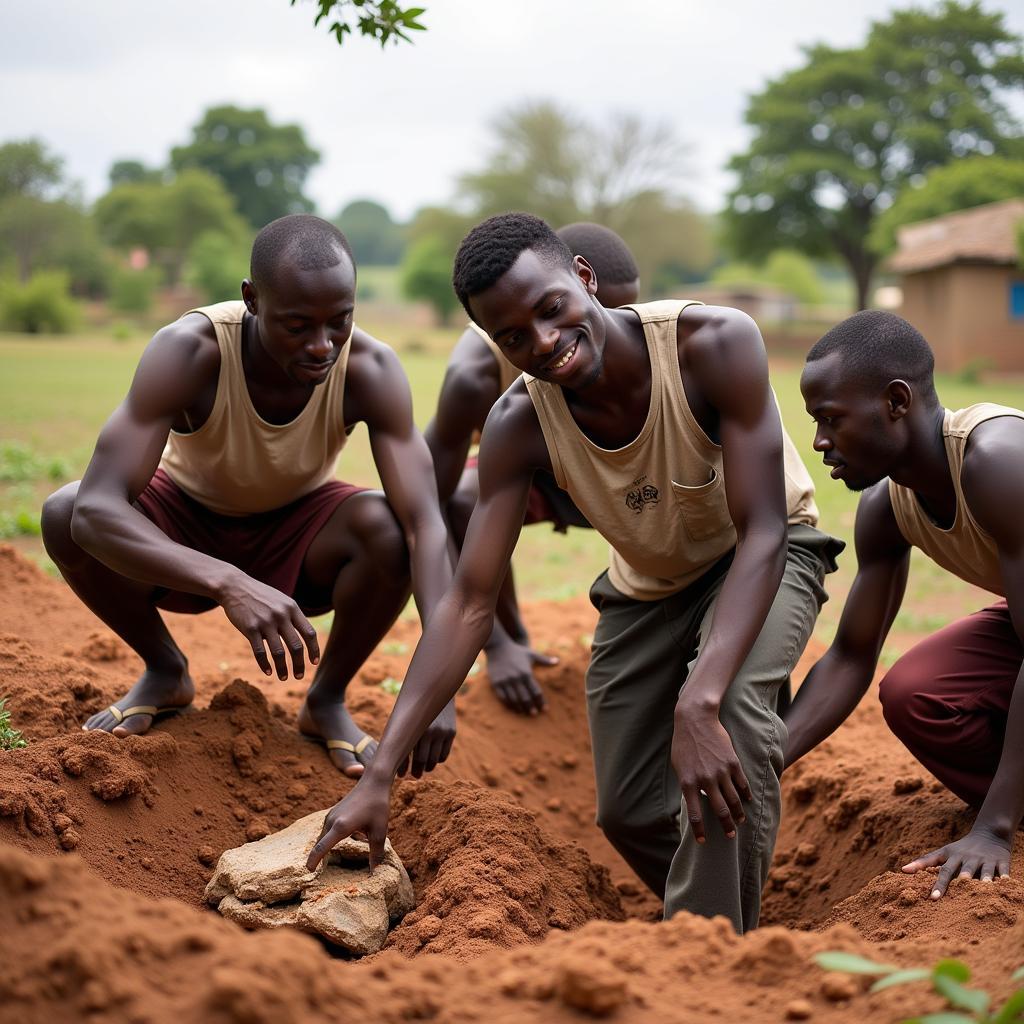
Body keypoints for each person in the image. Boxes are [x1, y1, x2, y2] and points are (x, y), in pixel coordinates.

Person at [307, 212, 842, 933]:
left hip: (765, 555)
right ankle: (725, 912)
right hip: (650, 582)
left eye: (552, 309)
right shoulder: (518, 422)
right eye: (515, 337)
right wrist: (380, 773)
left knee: (733, 717)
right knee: (625, 807)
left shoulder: (712, 345)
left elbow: (766, 531)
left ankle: (706, 957)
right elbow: (469, 600)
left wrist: (698, 697)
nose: (545, 343)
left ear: (585, 280)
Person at [41, 214, 455, 779]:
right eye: (297, 325)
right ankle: (165, 670)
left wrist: (443, 676)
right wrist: (228, 581)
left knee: (387, 527)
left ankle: (326, 700)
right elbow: (94, 510)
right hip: (182, 519)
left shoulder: (369, 367)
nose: (321, 345)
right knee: (64, 512)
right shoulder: (191, 350)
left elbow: (425, 524)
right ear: (252, 300)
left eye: (340, 321)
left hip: (298, 533)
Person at [786, 309, 1024, 899]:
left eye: (831, 420)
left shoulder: (996, 463)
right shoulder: (887, 507)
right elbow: (850, 656)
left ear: (896, 400)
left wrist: (992, 829)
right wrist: (765, 760)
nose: (818, 441)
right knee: (918, 691)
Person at [424, 222, 639, 714]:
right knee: (462, 496)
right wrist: (495, 643)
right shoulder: (477, 375)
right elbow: (428, 501)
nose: (616, 324)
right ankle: (515, 640)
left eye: (625, 311)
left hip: (633, 474)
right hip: (543, 478)